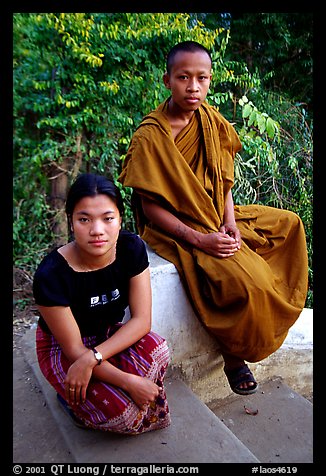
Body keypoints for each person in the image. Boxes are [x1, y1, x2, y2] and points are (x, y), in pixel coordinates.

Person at [118, 41, 309, 396]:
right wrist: (201, 240)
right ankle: (234, 356)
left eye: (201, 78)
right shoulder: (151, 136)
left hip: (216, 215)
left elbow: (222, 182)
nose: (193, 87)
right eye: (183, 77)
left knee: (289, 224)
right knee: (245, 282)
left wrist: (231, 222)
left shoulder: (210, 121)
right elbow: (150, 210)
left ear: (210, 80)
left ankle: (272, 309)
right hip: (175, 230)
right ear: (167, 80)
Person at [33, 173, 171, 434]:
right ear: (71, 222)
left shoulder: (131, 248)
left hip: (106, 336)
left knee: (159, 349)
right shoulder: (51, 275)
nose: (97, 230)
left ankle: (106, 387)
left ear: (120, 219)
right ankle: (69, 400)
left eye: (108, 218)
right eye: (84, 219)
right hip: (63, 348)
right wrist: (129, 381)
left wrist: (94, 357)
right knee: (124, 415)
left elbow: (142, 321)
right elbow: (74, 349)